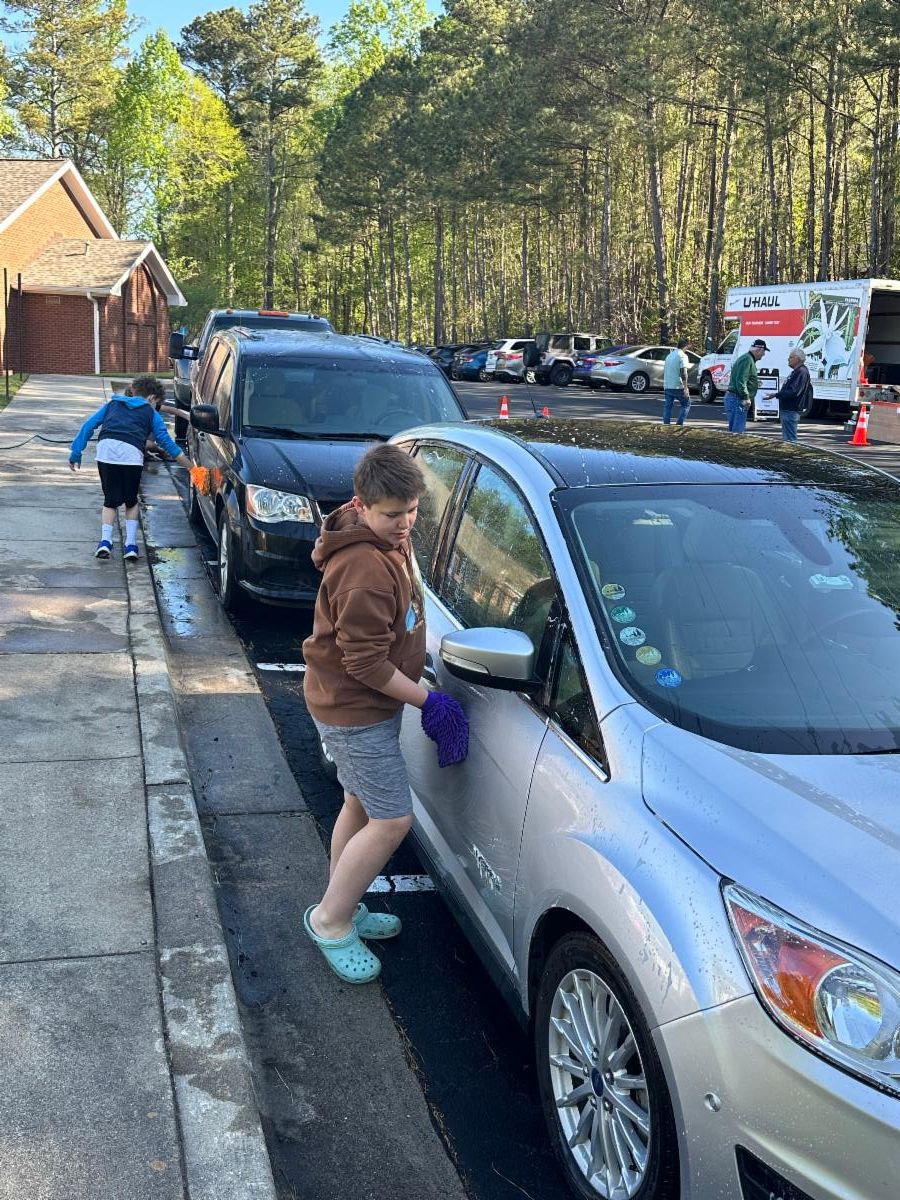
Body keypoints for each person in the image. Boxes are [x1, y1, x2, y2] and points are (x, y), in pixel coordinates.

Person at [301, 444, 468, 985]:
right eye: (393, 514)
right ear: (362, 504)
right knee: (393, 818)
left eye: (413, 510)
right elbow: (365, 663)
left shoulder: (384, 540)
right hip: (354, 710)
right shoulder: (363, 569)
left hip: (362, 706)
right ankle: (330, 920)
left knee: (359, 801)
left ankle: (343, 899)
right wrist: (429, 699)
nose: (405, 523)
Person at [69, 374, 191, 560]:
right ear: (151, 398)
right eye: (156, 402)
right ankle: (131, 545)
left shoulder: (113, 404)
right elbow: (166, 442)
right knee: (131, 501)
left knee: (110, 500)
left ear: (134, 391)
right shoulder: (151, 412)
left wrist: (76, 452)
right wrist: (192, 468)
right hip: (131, 454)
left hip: (106, 451)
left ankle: (105, 542)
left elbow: (89, 425)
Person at [724, 338, 767, 433]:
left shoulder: (747, 358)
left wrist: (755, 382)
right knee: (737, 432)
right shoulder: (747, 360)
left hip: (735, 397)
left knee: (735, 430)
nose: (763, 355)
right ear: (759, 350)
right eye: (763, 352)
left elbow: (743, 377)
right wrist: (746, 397)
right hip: (737, 399)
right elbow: (741, 380)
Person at [771, 348, 812, 444]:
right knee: (788, 437)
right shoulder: (797, 371)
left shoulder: (801, 372)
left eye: (790, 357)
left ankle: (791, 457)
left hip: (791, 410)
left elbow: (794, 391)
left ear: (797, 358)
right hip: (788, 409)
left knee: (790, 439)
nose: (788, 359)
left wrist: (777, 395)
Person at [662, 338, 692, 425]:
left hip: (667, 385)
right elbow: (684, 373)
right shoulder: (682, 356)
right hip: (677, 385)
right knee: (686, 404)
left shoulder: (669, 355)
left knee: (668, 407)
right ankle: (679, 424)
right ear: (686, 346)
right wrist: (686, 388)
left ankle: (666, 425)